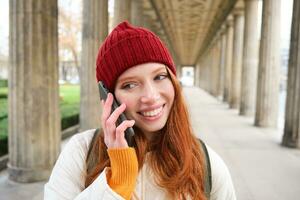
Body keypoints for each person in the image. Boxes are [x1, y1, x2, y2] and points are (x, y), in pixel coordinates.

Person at [44, 21, 236, 200]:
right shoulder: (81, 151)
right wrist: (118, 182)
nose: (151, 96)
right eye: (130, 85)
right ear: (108, 97)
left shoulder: (205, 162)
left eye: (160, 77)